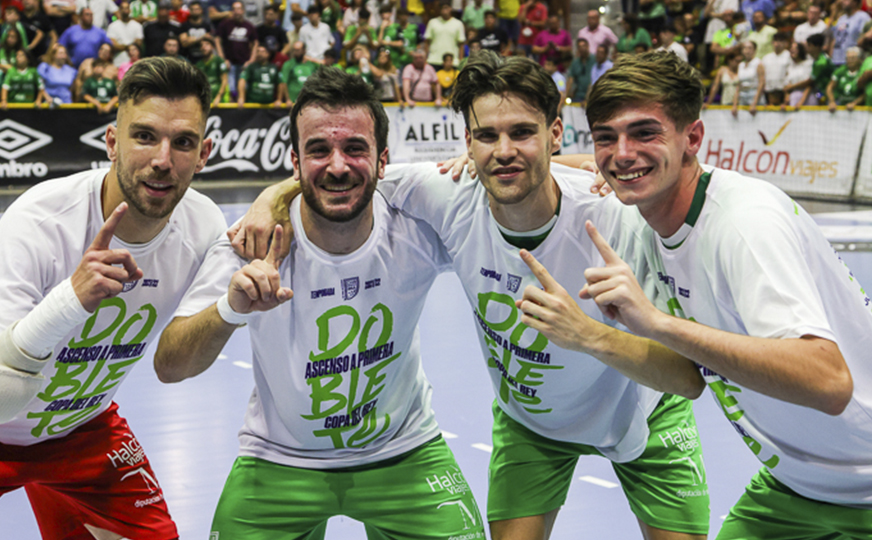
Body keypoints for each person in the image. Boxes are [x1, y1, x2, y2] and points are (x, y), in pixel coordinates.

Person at [235, 51, 712, 540]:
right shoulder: (446, 192)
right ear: (467, 142)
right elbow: (343, 173)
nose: (503, 150)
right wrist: (270, 198)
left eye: (522, 133)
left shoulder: (615, 218)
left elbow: (686, 377)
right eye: (487, 136)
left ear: (554, 134)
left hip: (644, 414)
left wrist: (587, 335)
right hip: (533, 422)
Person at [153, 65, 487, 540]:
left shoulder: (416, 220)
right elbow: (169, 365)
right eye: (318, 150)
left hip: (404, 451)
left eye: (355, 148)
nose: (336, 165)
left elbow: (525, 174)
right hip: (278, 458)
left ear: (383, 159)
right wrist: (230, 309)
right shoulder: (252, 243)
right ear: (294, 161)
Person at [0, 56, 224, 540]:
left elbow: (175, 365)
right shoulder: (42, 219)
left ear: (203, 154)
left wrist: (271, 201)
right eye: (144, 136)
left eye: (182, 142)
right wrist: (67, 302)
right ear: (111, 141)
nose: (163, 159)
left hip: (79, 426)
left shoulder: (204, 226)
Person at [584, 49, 872, 540]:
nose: (622, 153)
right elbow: (689, 379)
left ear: (693, 137)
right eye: (605, 139)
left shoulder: (744, 225)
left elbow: (828, 380)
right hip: (793, 487)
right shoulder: (649, 216)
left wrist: (658, 323)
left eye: (644, 133)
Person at [216, 0, 258, 98]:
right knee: (231, 90)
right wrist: (222, 58)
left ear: (243, 11)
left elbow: (255, 43)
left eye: (239, 9)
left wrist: (251, 60)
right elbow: (217, 40)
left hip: (244, 62)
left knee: (244, 89)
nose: (236, 11)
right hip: (229, 62)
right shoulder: (225, 24)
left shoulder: (249, 26)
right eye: (234, 9)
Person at [424, 3, 465, 68]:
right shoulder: (432, 22)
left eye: (446, 8)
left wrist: (460, 61)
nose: (444, 10)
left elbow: (461, 45)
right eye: (442, 8)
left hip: (452, 62)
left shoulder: (458, 24)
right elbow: (427, 42)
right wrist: (425, 59)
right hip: (434, 60)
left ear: (450, 8)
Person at [277, 40, 317, 105]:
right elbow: (283, 82)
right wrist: (287, 99)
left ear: (304, 50)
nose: (295, 53)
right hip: (292, 102)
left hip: (308, 103)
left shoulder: (311, 65)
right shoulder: (288, 64)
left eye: (298, 50)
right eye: (294, 50)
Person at [831, 0, 870, 66]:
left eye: (846, 0)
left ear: (855, 2)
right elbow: (835, 38)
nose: (843, 2)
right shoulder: (841, 18)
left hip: (851, 60)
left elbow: (864, 36)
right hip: (836, 59)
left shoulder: (862, 17)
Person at [106, 0, 144, 67]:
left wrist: (121, 46)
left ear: (130, 10)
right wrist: (130, 46)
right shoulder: (112, 26)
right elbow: (113, 46)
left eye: (126, 8)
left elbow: (138, 44)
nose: (125, 10)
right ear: (119, 10)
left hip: (134, 63)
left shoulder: (137, 26)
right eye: (122, 8)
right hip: (118, 63)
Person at [827, 46, 864, 111]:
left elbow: (865, 93)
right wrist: (832, 101)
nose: (850, 61)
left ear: (859, 59)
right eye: (848, 58)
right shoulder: (840, 71)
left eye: (853, 58)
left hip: (858, 108)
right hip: (839, 105)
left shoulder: (863, 72)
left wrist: (854, 103)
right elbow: (829, 87)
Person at [733, 40, 764, 116]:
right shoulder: (740, 65)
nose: (747, 51)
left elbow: (761, 83)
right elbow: (738, 85)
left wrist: (754, 103)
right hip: (743, 98)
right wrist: (734, 104)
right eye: (745, 48)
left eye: (750, 48)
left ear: (754, 50)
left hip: (755, 97)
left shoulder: (758, 63)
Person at [196, 36, 229, 105]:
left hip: (219, 100)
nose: (204, 47)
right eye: (201, 45)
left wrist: (218, 97)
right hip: (205, 101)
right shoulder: (198, 65)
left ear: (212, 47)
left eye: (207, 44)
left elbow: (224, 80)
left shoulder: (219, 61)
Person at [761, 31, 791, 105]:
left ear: (785, 43)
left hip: (783, 90)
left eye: (780, 41)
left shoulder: (789, 56)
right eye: (775, 41)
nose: (777, 43)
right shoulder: (766, 58)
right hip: (769, 91)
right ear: (772, 43)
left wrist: (788, 93)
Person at [780, 41, 812, 110]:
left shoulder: (808, 64)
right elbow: (787, 87)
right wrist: (785, 102)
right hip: (794, 98)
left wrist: (801, 102)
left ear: (801, 50)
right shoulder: (790, 67)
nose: (792, 50)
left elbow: (809, 84)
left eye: (795, 48)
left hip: (807, 97)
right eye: (791, 48)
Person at [565, 37, 594, 106]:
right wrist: (566, 95)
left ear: (588, 46)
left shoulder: (595, 60)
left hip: (592, 94)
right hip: (578, 95)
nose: (582, 48)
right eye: (579, 47)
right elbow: (570, 79)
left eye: (583, 46)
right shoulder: (575, 63)